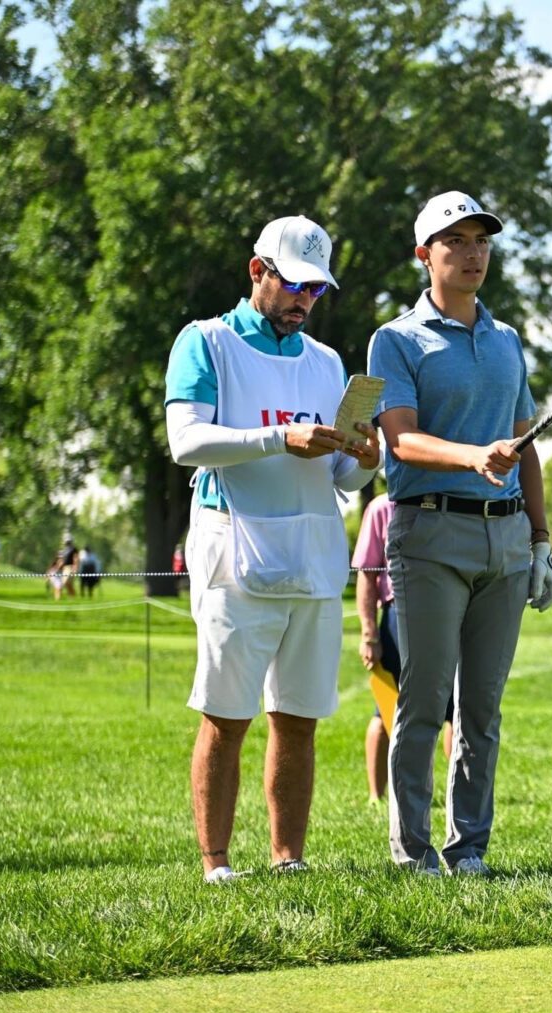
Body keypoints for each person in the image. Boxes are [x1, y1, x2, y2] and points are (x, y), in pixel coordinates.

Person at [164, 215, 380, 884]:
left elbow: (339, 475)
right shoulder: (205, 342)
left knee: (299, 717)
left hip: (313, 548)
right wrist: (278, 438)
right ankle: (217, 865)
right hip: (233, 546)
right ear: (257, 271)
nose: (305, 301)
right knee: (227, 715)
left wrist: (366, 458)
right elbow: (186, 442)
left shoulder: (326, 362)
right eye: (294, 285)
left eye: (316, 290)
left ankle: (288, 861)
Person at [368, 190, 552, 877]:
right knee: (423, 702)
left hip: (505, 542)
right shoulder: (394, 339)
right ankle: (412, 853)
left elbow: (525, 444)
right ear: (426, 255)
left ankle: (469, 849)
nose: (473, 253)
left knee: (481, 708)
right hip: (429, 533)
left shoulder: (507, 340)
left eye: (482, 240)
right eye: (457, 242)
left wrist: (541, 540)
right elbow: (402, 439)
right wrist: (473, 456)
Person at [351, 491, 451, 802]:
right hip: (397, 618)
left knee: (453, 710)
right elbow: (367, 575)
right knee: (386, 710)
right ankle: (375, 795)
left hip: (447, 612)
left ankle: (454, 794)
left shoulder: (448, 500)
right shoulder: (381, 507)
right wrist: (369, 634)